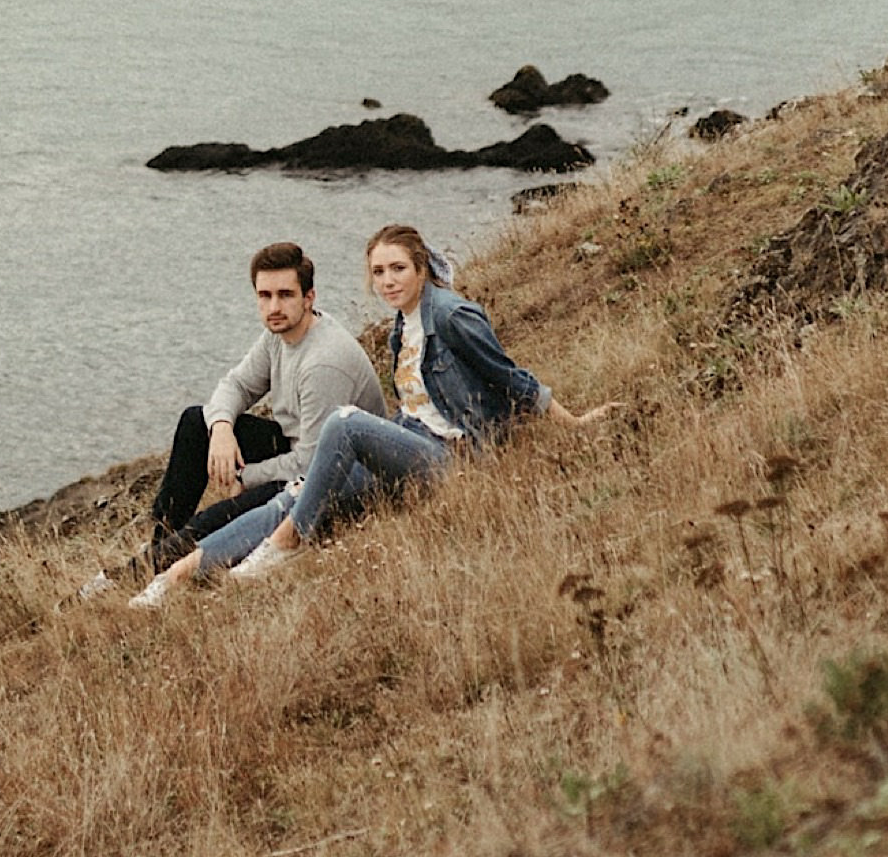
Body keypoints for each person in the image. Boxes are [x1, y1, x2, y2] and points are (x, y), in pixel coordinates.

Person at [132, 221, 611, 602]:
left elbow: (510, 377)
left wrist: (575, 424)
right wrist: (220, 429)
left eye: (398, 269)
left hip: (452, 459)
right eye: (379, 272)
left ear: (421, 268)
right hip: (408, 443)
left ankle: (286, 544)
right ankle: (171, 579)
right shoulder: (400, 329)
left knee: (343, 423)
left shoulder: (450, 316)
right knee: (290, 495)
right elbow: (238, 385)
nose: (387, 281)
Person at [139, 241, 386, 583]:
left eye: (285, 294)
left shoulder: (324, 362)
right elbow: (236, 385)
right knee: (198, 422)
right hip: (295, 448)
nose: (274, 306)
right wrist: (222, 427)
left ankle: (145, 571)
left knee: (217, 518)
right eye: (264, 295)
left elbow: (310, 463)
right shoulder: (278, 334)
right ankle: (158, 547)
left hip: (336, 474)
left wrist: (245, 477)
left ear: (309, 297)